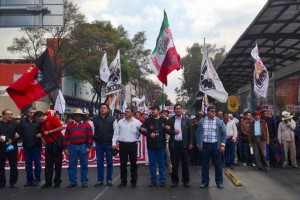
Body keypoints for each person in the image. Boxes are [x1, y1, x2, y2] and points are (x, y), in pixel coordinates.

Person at [196, 106, 226, 189]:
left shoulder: (219, 121)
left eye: (215, 111)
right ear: (208, 112)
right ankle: (205, 182)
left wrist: (222, 145)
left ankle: (219, 182)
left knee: (218, 165)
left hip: (216, 146)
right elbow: (198, 134)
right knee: (205, 165)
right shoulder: (202, 121)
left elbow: (223, 134)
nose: (214, 113)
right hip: (205, 146)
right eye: (212, 111)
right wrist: (199, 145)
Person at [140, 105, 169, 187]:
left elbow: (169, 130)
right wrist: (149, 134)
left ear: (158, 111)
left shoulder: (164, 120)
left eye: (154, 110)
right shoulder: (148, 120)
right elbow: (141, 129)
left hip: (161, 145)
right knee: (152, 163)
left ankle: (162, 180)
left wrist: (169, 128)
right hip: (151, 146)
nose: (152, 111)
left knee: (161, 163)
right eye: (152, 110)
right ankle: (153, 180)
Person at [112, 107, 142, 188]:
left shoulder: (137, 122)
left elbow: (142, 130)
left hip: (132, 145)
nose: (126, 113)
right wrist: (114, 143)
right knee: (123, 164)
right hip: (123, 145)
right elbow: (116, 134)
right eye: (125, 111)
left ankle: (133, 181)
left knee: (133, 164)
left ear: (132, 113)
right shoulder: (120, 122)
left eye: (128, 112)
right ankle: (123, 181)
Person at [63, 109, 93, 188]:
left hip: (83, 146)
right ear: (74, 116)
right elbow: (66, 137)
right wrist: (65, 148)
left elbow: (90, 137)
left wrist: (89, 147)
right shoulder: (69, 126)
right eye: (76, 115)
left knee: (84, 165)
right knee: (72, 165)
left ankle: (84, 181)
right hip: (72, 146)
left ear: (82, 116)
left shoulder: (87, 125)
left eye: (79, 115)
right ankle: (73, 182)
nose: (77, 116)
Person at [34, 111, 64, 188]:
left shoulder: (52, 119)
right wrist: (43, 140)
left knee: (57, 164)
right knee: (48, 164)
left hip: (56, 143)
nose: (39, 121)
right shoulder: (42, 123)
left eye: (39, 119)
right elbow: (43, 133)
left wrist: (50, 131)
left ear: (41, 116)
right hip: (48, 144)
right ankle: (48, 181)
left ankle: (57, 181)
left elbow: (61, 127)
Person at [168, 104, 193, 188]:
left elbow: (191, 133)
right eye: (176, 109)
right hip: (174, 144)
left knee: (185, 163)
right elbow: (167, 130)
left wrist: (191, 143)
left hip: (184, 144)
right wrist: (173, 132)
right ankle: (174, 181)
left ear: (182, 109)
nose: (178, 110)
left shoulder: (187, 120)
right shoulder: (171, 119)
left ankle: (186, 181)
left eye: (179, 108)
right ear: (174, 110)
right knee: (174, 164)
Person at [93, 103, 117, 187]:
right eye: (101, 108)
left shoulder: (113, 119)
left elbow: (116, 132)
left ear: (107, 110)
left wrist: (114, 143)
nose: (102, 109)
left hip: (109, 144)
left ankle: (109, 180)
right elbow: (93, 132)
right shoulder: (95, 119)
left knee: (109, 162)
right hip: (99, 144)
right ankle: (100, 180)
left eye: (104, 108)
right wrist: (93, 143)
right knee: (99, 163)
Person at [20, 107, 42, 187]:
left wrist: (41, 134)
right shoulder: (22, 121)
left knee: (37, 164)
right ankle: (29, 180)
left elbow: (44, 131)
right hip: (26, 145)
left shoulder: (39, 121)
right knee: (28, 164)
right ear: (27, 112)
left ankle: (37, 179)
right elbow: (20, 132)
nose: (32, 114)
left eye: (34, 113)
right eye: (30, 112)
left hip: (36, 145)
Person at [0, 109, 21, 188]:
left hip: (12, 147)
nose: (10, 115)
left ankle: (13, 182)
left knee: (13, 165)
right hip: (1, 148)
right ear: (3, 116)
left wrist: (13, 140)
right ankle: (2, 182)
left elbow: (20, 135)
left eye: (11, 114)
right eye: (8, 114)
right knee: (1, 166)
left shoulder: (16, 124)